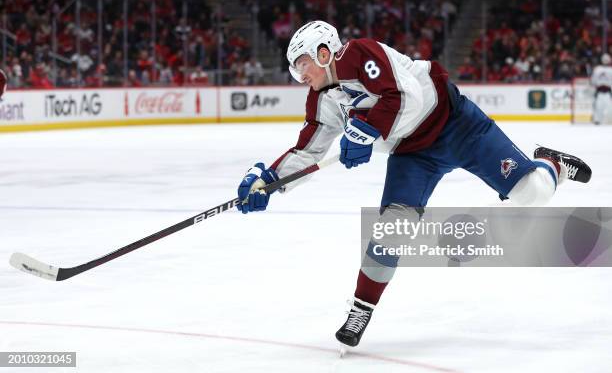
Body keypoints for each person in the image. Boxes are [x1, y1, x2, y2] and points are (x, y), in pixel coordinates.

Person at [235, 21, 592, 348]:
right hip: (413, 155)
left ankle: (550, 162)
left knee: (532, 193)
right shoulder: (322, 100)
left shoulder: (360, 54)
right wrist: (268, 181)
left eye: (302, 63)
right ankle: (361, 309)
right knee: (392, 229)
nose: (299, 74)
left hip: (458, 127)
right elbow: (307, 150)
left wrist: (366, 130)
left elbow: (407, 97)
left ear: (323, 52)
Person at [591, 53, 612, 125]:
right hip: (599, 92)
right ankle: (597, 121)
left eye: (607, 59)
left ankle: (608, 121)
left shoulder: (611, 69)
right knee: (598, 107)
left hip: (608, 93)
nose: (606, 60)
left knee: (610, 108)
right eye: (604, 59)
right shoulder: (597, 69)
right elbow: (593, 80)